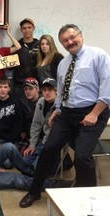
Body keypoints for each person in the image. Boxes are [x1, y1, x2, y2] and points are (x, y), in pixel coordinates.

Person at [19, 24, 110, 208]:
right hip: (67, 113)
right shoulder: (63, 63)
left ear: (80, 35)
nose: (69, 42)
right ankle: (34, 192)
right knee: (48, 149)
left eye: (72, 37)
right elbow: (60, 91)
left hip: (93, 111)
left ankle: (88, 200)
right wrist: (57, 110)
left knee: (82, 156)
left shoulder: (99, 55)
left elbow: (107, 89)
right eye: (64, 41)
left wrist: (94, 113)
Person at [10, 18, 39, 99]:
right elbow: (9, 67)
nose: (27, 30)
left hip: (36, 84)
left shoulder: (40, 45)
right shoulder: (16, 46)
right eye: (24, 28)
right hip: (20, 85)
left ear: (33, 28)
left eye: (29, 27)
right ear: (21, 30)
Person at [19, 77, 41, 144]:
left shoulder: (44, 101)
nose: (28, 91)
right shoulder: (22, 101)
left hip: (41, 136)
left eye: (31, 89)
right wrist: (22, 131)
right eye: (26, 89)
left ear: (37, 89)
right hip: (27, 136)